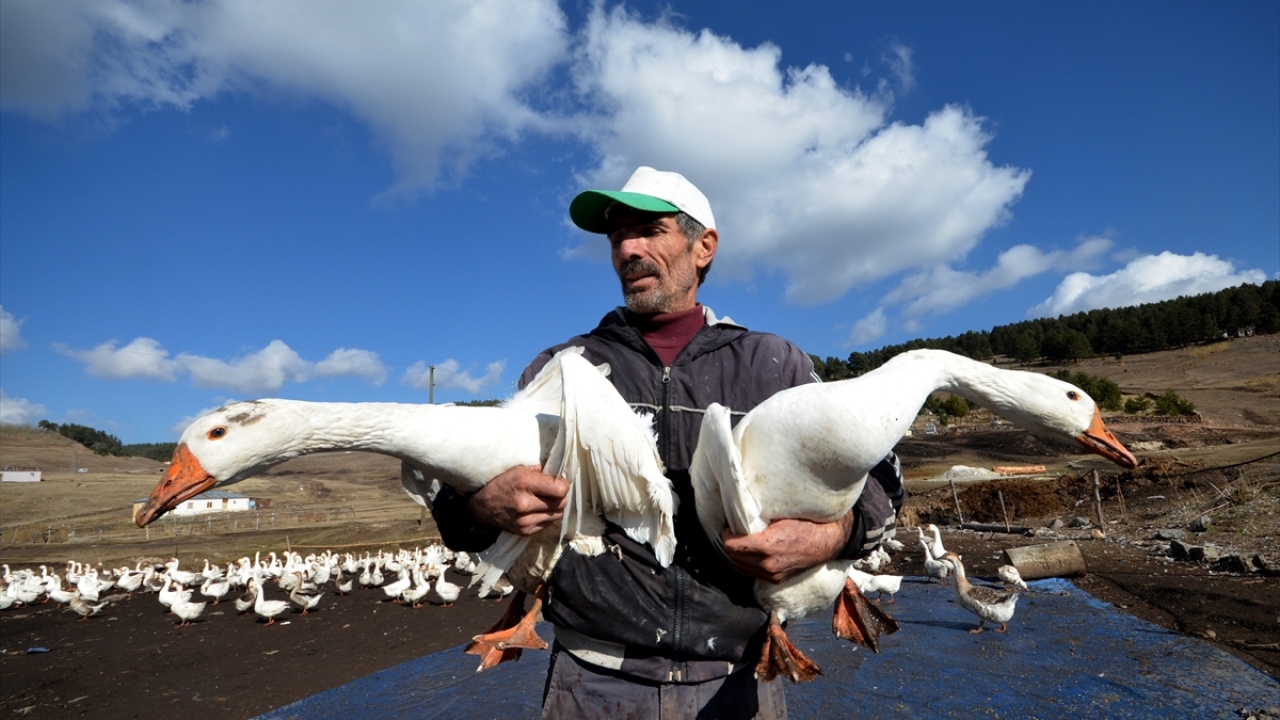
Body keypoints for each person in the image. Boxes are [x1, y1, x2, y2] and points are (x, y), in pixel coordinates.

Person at [431, 166, 902, 719]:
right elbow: (455, 509)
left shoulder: (774, 365)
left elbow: (887, 484)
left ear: (703, 247)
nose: (627, 248)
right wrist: (481, 505)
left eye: (649, 231)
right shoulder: (562, 371)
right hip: (591, 683)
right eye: (616, 237)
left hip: (736, 682)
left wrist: (832, 537)